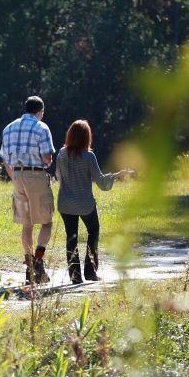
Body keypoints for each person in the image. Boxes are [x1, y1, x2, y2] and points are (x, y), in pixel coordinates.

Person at [52, 120, 132, 284]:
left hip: (65, 203)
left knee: (71, 237)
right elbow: (101, 182)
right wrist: (117, 175)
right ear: (86, 137)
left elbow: (58, 176)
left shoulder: (61, 154)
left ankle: (75, 276)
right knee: (93, 231)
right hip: (85, 203)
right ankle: (90, 270)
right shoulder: (89, 157)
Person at [0, 95, 55, 285]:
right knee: (47, 221)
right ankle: (38, 260)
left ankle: (29, 265)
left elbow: (4, 158)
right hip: (36, 176)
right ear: (40, 111)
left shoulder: (8, 128)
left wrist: (14, 175)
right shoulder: (42, 127)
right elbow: (47, 158)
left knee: (27, 223)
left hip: (17, 176)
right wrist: (48, 162)